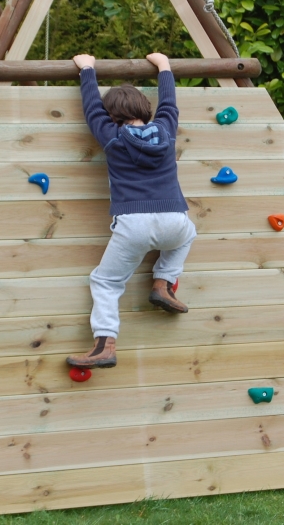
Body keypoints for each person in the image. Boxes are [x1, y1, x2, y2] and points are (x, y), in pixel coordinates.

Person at [66, 52, 196, 369]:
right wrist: (164, 67)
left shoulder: (111, 137)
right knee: (188, 233)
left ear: (112, 117)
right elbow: (169, 103)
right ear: (145, 111)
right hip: (174, 218)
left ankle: (105, 344)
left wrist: (87, 70)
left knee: (106, 282)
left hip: (133, 222)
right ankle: (163, 282)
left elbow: (91, 109)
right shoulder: (166, 130)